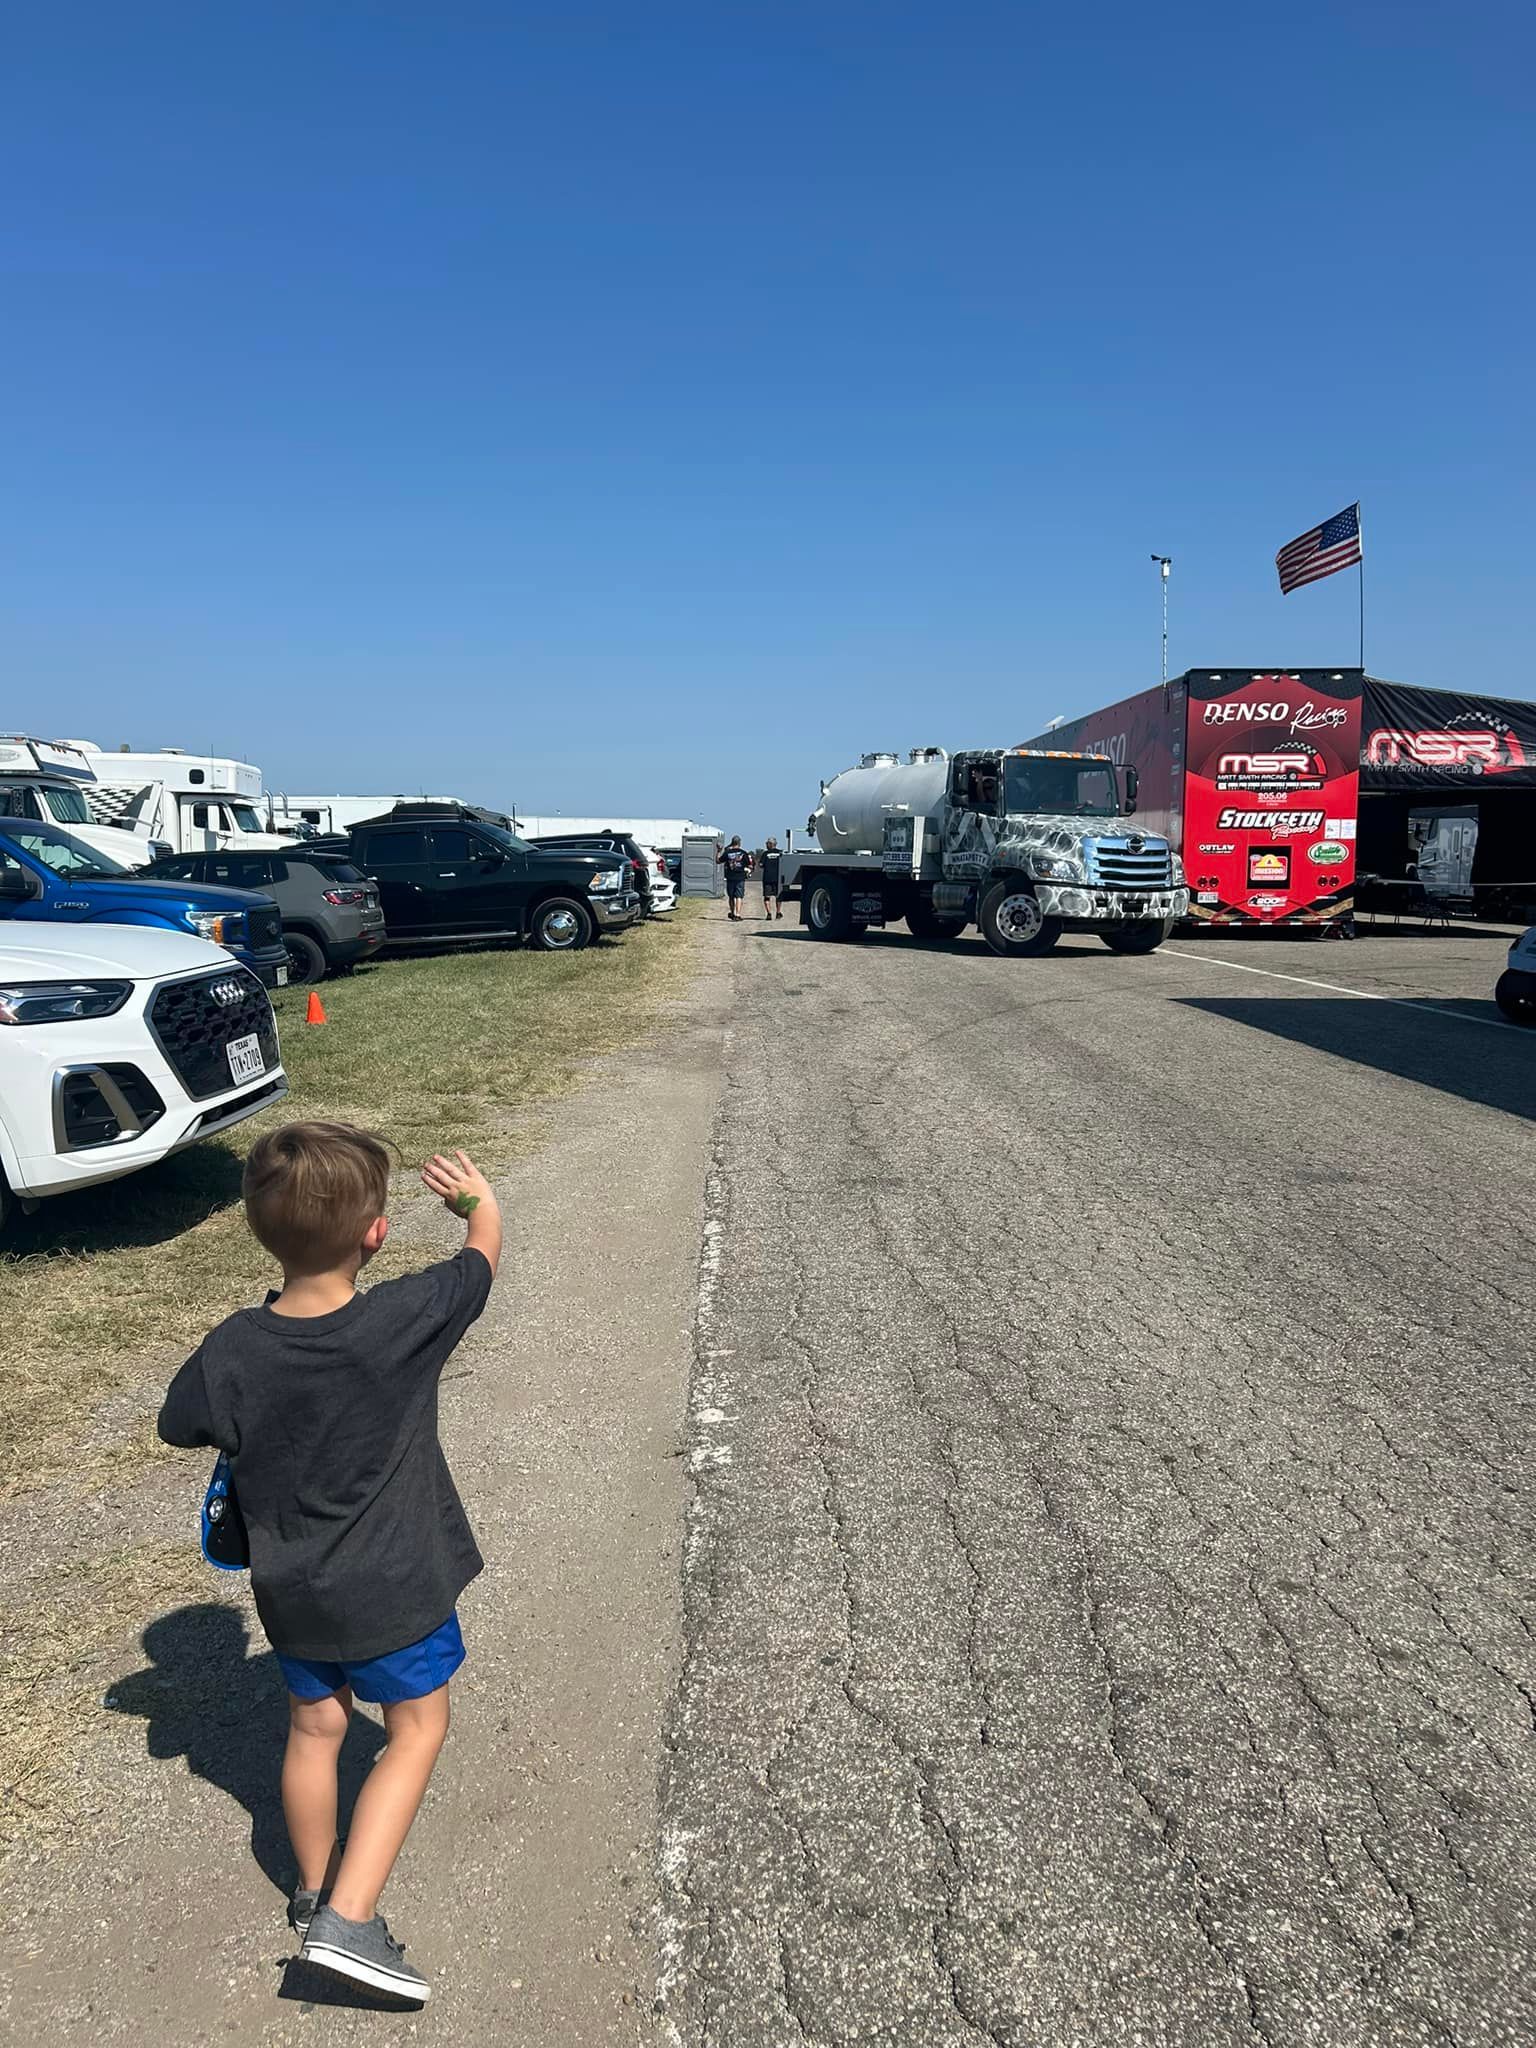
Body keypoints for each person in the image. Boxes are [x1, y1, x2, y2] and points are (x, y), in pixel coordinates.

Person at [157, 1121, 503, 2005]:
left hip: (292, 1588)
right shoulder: (402, 1319)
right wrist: (479, 1208)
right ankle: (348, 1923)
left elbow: (179, 1420)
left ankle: (312, 1890)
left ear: (256, 1228)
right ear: (375, 1234)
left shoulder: (232, 1345)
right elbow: (480, 1262)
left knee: (317, 1729)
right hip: (395, 1585)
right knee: (416, 1729)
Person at [716, 834, 753, 919]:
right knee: (739, 896)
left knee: (731, 897)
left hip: (730, 877)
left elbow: (718, 861)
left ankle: (732, 913)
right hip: (740, 877)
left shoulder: (727, 853)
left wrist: (718, 851)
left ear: (732, 843)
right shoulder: (743, 853)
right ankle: (738, 914)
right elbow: (749, 865)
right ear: (739, 843)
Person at [760, 837, 784, 919]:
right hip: (778, 878)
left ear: (770, 844)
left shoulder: (765, 854)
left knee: (767, 897)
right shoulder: (780, 853)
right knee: (778, 896)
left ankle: (769, 913)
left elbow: (761, 865)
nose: (766, 845)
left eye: (767, 843)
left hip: (767, 878)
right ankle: (778, 912)